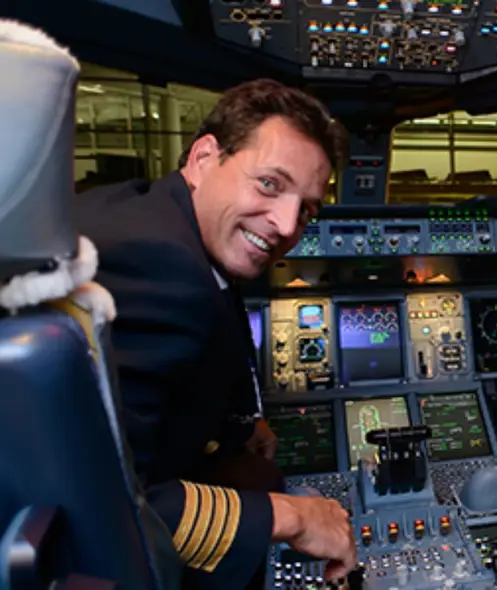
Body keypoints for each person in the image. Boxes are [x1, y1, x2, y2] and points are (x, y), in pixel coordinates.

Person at [71, 79, 356, 589]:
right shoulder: (160, 265)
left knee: (257, 474)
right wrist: (295, 517)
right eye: (270, 183)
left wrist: (241, 423)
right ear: (204, 157)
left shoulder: (152, 213)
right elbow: (104, 508)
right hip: (79, 536)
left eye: (307, 208)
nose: (286, 225)